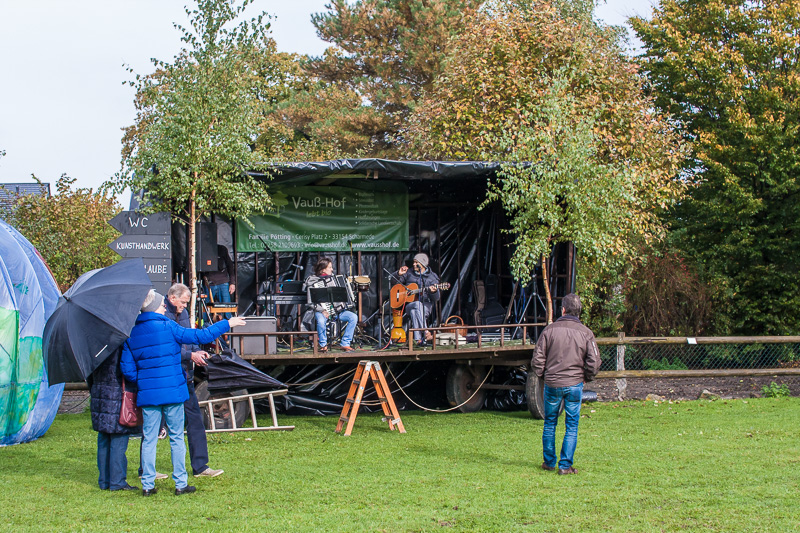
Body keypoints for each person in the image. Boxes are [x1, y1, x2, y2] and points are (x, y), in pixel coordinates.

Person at [121, 289, 246, 496]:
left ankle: (148, 484)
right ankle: (180, 483)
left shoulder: (132, 332)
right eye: (162, 305)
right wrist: (227, 323)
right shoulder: (169, 327)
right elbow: (200, 335)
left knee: (149, 439)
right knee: (177, 437)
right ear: (155, 308)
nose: (165, 307)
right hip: (173, 392)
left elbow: (127, 368)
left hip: (149, 395)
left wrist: (143, 381)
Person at [532, 293, 601, 475]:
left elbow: (537, 359)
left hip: (552, 384)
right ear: (579, 312)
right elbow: (594, 362)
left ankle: (549, 462)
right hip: (574, 384)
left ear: (563, 310)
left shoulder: (549, 331)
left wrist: (544, 376)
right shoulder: (586, 333)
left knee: (550, 423)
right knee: (571, 425)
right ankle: (565, 465)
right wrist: (586, 377)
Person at [165, 283, 224, 478]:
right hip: (168, 378)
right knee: (156, 425)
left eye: (186, 303)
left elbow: (188, 337)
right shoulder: (162, 314)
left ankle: (200, 466)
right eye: (183, 302)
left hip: (186, 375)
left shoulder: (182, 313)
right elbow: (166, 347)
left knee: (195, 420)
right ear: (172, 298)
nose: (184, 306)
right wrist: (190, 356)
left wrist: (196, 351)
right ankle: (145, 470)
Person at [86, 347, 140, 492]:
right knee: (118, 439)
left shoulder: (95, 346)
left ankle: (104, 481)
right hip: (118, 396)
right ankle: (117, 481)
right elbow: (128, 371)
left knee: (103, 438)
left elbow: (89, 374)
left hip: (99, 394)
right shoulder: (122, 344)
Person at [302, 257, 358, 353]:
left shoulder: (334, 279)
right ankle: (323, 345)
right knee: (321, 321)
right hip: (321, 311)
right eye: (330, 267)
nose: (332, 269)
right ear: (323, 269)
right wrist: (322, 310)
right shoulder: (313, 282)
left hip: (337, 311)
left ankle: (345, 343)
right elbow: (310, 302)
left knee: (353, 317)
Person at [396, 253, 440, 345]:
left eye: (416, 262)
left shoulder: (432, 277)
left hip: (426, 305)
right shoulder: (409, 273)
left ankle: (418, 340)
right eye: (414, 262)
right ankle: (426, 332)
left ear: (423, 264)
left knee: (414, 312)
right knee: (417, 304)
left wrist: (434, 291)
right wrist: (398, 274)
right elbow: (395, 284)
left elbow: (437, 298)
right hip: (409, 304)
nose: (414, 264)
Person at [204, 244, 236, 319]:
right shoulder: (204, 249)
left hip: (223, 282)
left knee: (226, 307)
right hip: (209, 283)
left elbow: (230, 265)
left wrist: (232, 283)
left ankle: (227, 323)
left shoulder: (222, 249)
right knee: (206, 307)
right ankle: (206, 324)